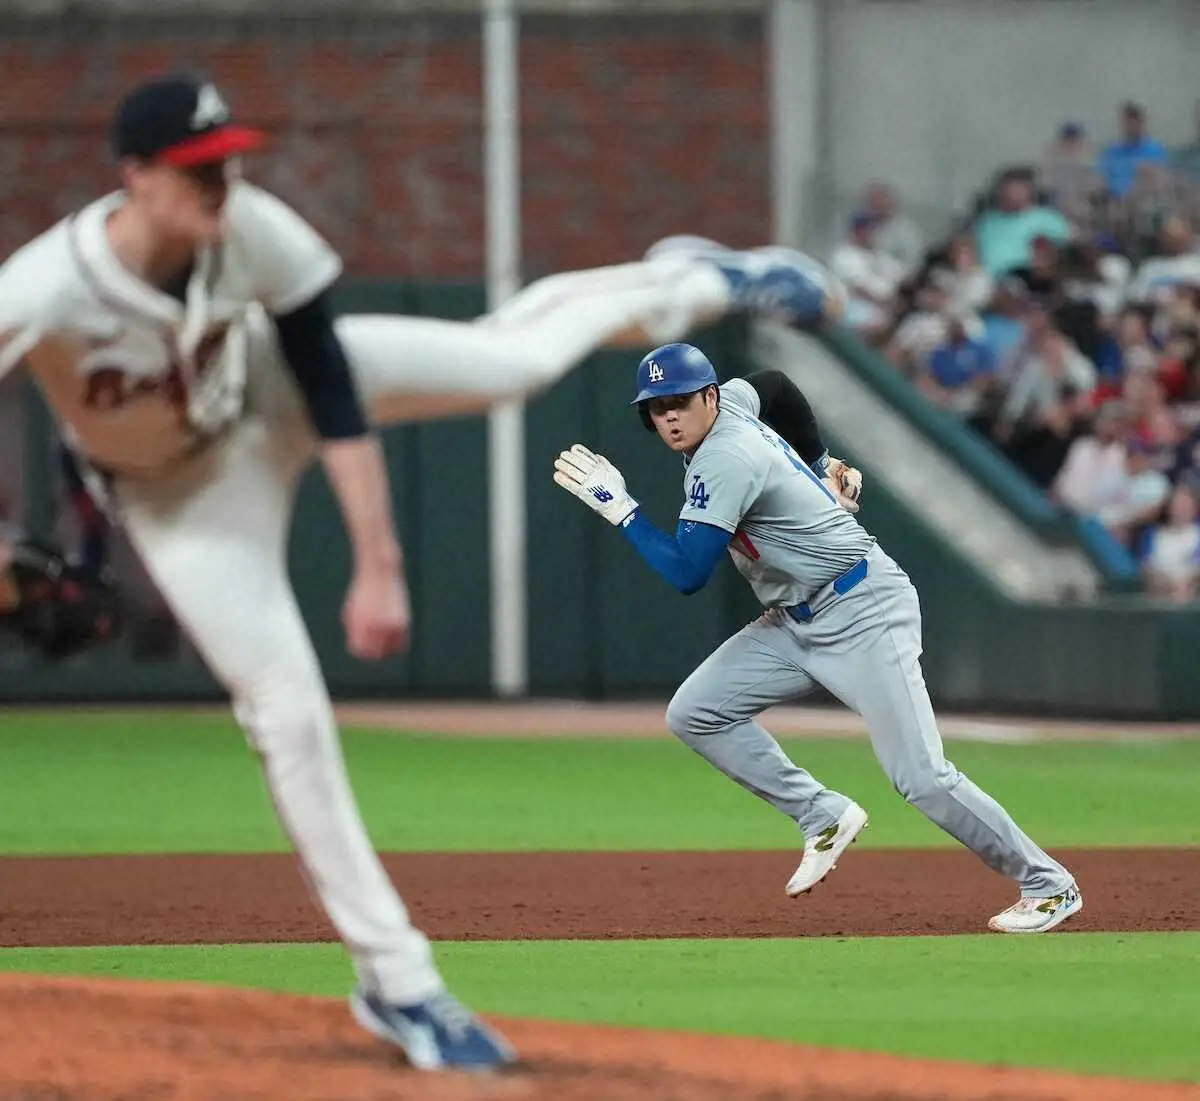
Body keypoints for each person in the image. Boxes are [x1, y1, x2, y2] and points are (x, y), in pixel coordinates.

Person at [0, 73, 843, 1071]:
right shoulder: (43, 286)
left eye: (226, 162)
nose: (219, 185)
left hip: (269, 392)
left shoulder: (255, 230)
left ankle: (697, 283)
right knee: (286, 711)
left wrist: (380, 563)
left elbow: (331, 393)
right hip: (182, 499)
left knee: (509, 366)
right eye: (194, 170)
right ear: (133, 176)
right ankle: (401, 985)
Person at [552, 342, 1082, 934]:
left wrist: (621, 508)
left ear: (707, 396)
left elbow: (686, 573)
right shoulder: (733, 404)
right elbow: (776, 382)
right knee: (696, 712)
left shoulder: (723, 457)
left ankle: (1047, 883)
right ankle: (822, 813)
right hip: (792, 620)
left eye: (679, 402)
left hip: (861, 608)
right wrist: (822, 461)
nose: (668, 416)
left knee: (922, 777)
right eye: (655, 408)